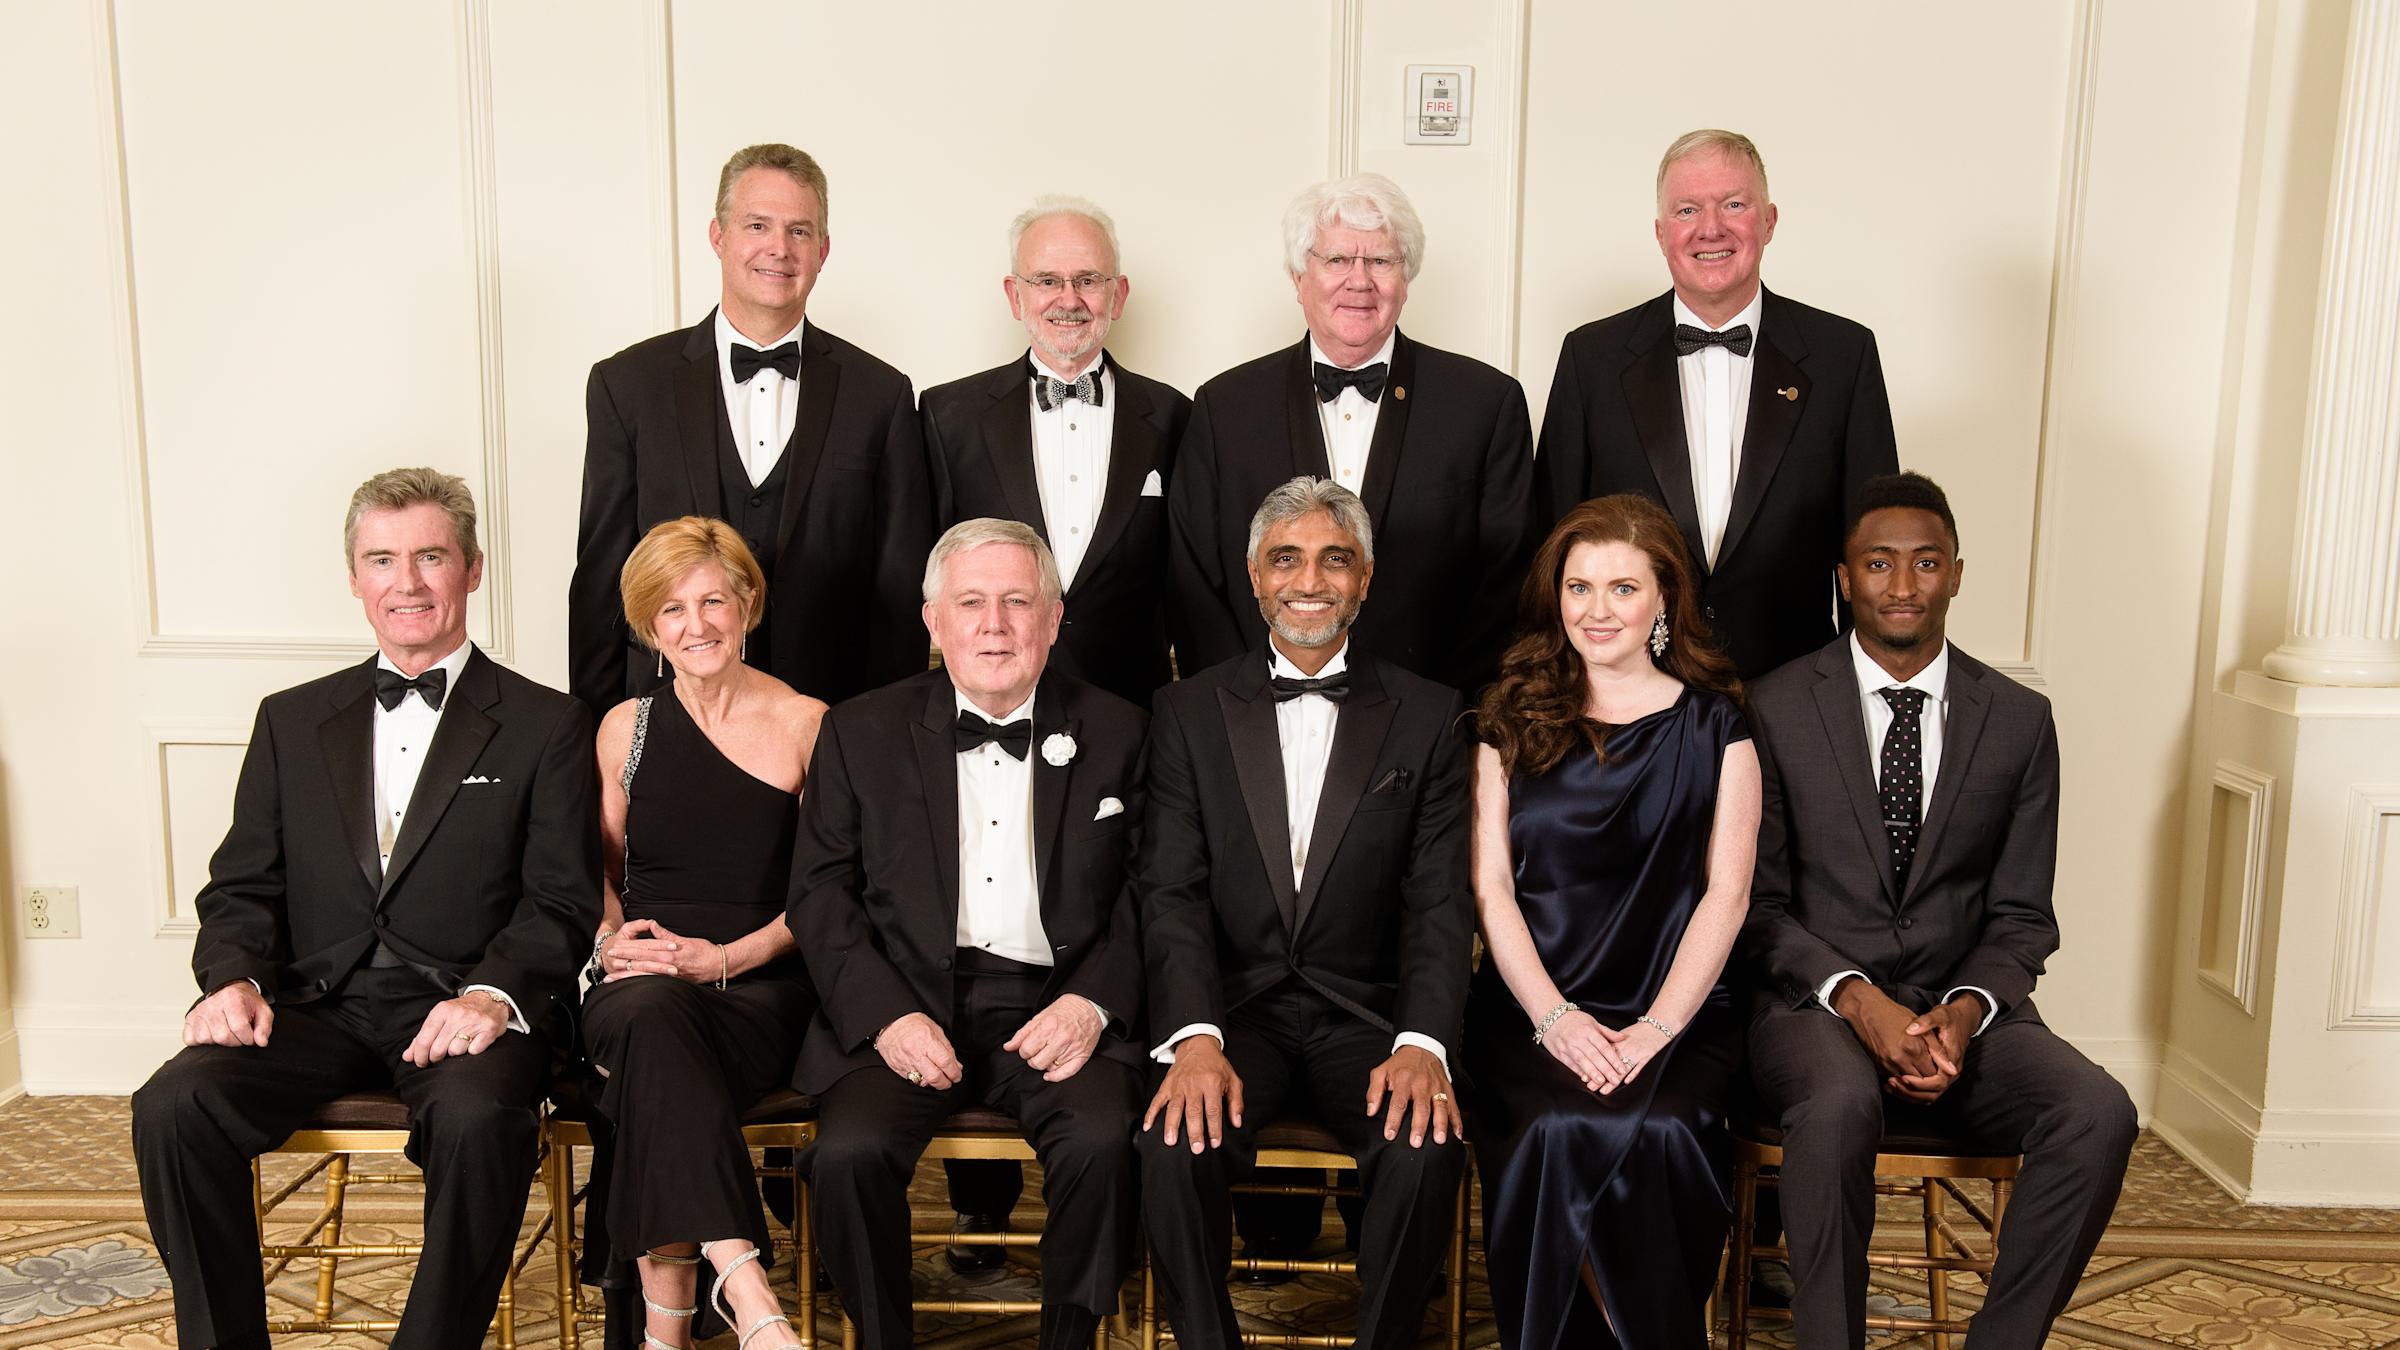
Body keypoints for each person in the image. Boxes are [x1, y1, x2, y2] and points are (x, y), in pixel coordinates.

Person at [131, 467, 599, 1350]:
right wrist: (230, 978)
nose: (408, 582)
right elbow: (241, 885)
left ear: (472, 568)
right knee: (173, 1104)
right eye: (381, 559)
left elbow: (559, 900)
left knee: (475, 1117)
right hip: (318, 1008)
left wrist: (490, 998)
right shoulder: (291, 721)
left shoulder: (548, 724)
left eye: (430, 556)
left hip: (464, 1008)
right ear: (354, 578)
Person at [1740, 472, 2136, 1349]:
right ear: (1845, 580)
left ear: (1957, 574)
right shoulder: (1772, 707)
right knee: (1840, 1104)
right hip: (1813, 1011)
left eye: (1925, 562)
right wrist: (1861, 1002)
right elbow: (1756, 909)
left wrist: (1961, 1012)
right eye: (1878, 564)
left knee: (2098, 1111)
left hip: (1969, 1019)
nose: (1903, 585)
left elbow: (2025, 915)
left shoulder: (2021, 720)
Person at [788, 519, 1147, 1350]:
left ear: (1054, 620)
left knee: (1103, 1141)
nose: (995, 625)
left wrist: (1094, 1003)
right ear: (932, 621)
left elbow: (1153, 893)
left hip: (1057, 1000)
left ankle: (1071, 1338)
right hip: (906, 997)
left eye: (1019, 602)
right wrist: (885, 1016)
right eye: (972, 603)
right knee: (849, 1154)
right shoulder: (858, 730)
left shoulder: (1125, 730)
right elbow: (819, 893)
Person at [1138, 477, 1473, 1350]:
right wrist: (1194, 1036)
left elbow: (1438, 899)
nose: (1310, 581)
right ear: (1254, 576)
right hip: (1233, 1008)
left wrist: (1422, 1044)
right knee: (1174, 1144)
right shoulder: (1184, 711)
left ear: (1366, 579)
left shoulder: (1431, 715)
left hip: (1365, 1015)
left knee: (1427, 1146)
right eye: (1286, 558)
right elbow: (1168, 890)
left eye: (1335, 559)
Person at [1464, 495, 1759, 1349]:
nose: (1597, 610)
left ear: (1664, 599)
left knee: (1664, 1130)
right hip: (1528, 1008)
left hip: (1677, 1010)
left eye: (1622, 588)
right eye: (1579, 587)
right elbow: (1491, 892)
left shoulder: (1718, 726)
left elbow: (1727, 896)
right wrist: (1554, 1020)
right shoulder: (1506, 719)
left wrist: (1656, 1031)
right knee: (1557, 1126)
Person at [570, 142, 932, 720]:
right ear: (718, 236)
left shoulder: (881, 396)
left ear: (824, 250)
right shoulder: (627, 385)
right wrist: (593, 735)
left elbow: (896, 595)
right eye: (757, 225)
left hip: (829, 722)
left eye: (800, 231)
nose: (779, 249)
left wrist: (887, 743)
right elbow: (600, 580)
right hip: (665, 716)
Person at [1535, 129, 1898, 680]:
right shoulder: (1591, 358)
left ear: (1769, 221)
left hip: (1797, 690)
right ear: (1661, 233)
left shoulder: (1843, 358)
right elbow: (1553, 542)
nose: (1711, 228)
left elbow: (1873, 546)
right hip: (1625, 695)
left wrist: (1858, 692)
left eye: (1734, 204)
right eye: (1687, 209)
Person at [584, 518, 824, 1349]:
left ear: (747, 604)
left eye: (713, 600)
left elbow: (828, 891)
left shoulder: (806, 723)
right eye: (673, 610)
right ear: (652, 628)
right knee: (649, 1016)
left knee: (654, 1063)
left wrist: (724, 958)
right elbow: (600, 874)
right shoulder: (627, 727)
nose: (697, 625)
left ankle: (665, 1334)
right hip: (638, 984)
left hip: (760, 987)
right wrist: (613, 943)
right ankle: (747, 1284)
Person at [1168, 173, 1534, 696]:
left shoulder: (1486, 404)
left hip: (1433, 719)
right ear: (1299, 278)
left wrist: (1440, 715)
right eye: (1337, 260)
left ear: (1405, 279)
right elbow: (1194, 582)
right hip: (1255, 717)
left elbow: (1509, 582)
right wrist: (1241, 705)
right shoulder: (1224, 407)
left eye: (1380, 261)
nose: (1358, 281)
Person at [924, 194, 1192, 708]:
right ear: (1014, 295)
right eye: (1046, 280)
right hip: (987, 702)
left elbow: (1191, 586)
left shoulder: (1175, 416)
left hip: (1134, 706)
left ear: (1118, 295)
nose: (1068, 299)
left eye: (1089, 280)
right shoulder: (945, 417)